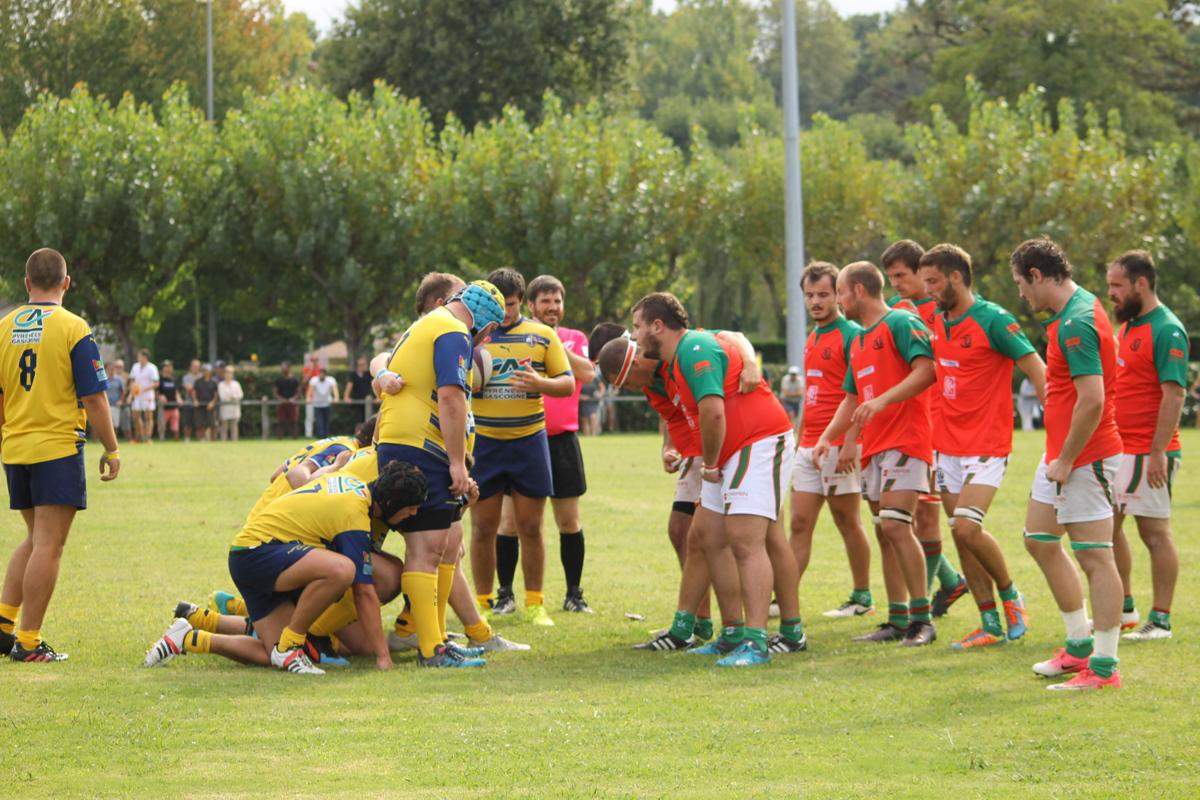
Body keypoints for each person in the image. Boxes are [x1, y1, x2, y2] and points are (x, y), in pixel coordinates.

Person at [368, 271, 528, 655]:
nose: (485, 339)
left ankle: (435, 636)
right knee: (427, 548)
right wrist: (457, 463)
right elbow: (452, 398)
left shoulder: (426, 324)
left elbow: (386, 368)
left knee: (446, 543)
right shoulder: (453, 331)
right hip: (421, 446)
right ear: (486, 323)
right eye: (489, 331)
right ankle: (431, 649)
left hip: (403, 441)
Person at [633, 293, 797, 666]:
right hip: (732, 451)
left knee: (745, 539)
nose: (636, 334)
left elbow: (713, 412)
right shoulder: (677, 360)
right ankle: (733, 633)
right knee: (705, 536)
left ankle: (757, 641)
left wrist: (708, 465)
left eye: (638, 326)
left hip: (758, 441)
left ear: (658, 327)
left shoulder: (692, 349)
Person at [144, 460, 428, 674]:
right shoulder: (354, 513)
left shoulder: (350, 482)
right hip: (258, 551)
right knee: (342, 569)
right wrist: (383, 657)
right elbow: (364, 592)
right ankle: (291, 646)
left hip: (252, 555)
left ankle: (188, 638)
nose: (413, 514)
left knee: (269, 653)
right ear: (390, 503)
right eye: (411, 508)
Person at [1010, 236, 1125, 691]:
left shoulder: (1076, 322)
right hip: (1060, 454)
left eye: (1022, 283)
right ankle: (1079, 646)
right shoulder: (1075, 309)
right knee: (1039, 539)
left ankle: (1104, 668)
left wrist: (1066, 459)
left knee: (1096, 557)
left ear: (1037, 276)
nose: (1022, 294)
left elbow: (1093, 400)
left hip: (1085, 456)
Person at [918, 244, 1042, 650]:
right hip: (946, 445)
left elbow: (1037, 370)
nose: (928, 290)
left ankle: (1011, 597)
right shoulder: (936, 319)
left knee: (967, 526)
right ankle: (988, 622)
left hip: (987, 443)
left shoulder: (994, 319)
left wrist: (1056, 425)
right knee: (961, 534)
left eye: (933, 281)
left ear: (956, 277)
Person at [0, 248, 120, 662]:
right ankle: (28, 642)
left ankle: (2, 627)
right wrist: (112, 447)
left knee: (35, 539)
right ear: (66, 283)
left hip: (14, 447)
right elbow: (94, 397)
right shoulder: (73, 327)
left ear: (27, 282)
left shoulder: (5, 326)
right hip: (55, 447)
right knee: (48, 545)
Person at [814, 261, 938, 646]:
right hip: (875, 447)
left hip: (906, 439)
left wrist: (882, 401)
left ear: (860, 291)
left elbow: (928, 370)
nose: (837, 300)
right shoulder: (861, 339)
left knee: (898, 525)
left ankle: (923, 621)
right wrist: (828, 436)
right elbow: (851, 398)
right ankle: (898, 619)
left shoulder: (901, 323)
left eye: (839, 291)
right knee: (886, 530)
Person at [468, 269, 574, 626]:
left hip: (529, 441)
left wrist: (540, 382)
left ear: (520, 301)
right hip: (484, 443)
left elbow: (568, 383)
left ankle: (535, 603)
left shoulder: (541, 336)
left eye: (511, 305)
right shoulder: (472, 336)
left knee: (531, 526)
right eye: (499, 306)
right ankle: (483, 603)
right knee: (483, 527)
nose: (505, 313)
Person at [881, 240, 968, 617]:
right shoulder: (901, 311)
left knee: (927, 517)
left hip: (937, 426)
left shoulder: (943, 310)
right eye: (891, 277)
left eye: (901, 275)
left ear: (922, 272)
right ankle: (948, 583)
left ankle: (930, 595)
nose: (896, 283)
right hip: (915, 422)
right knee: (910, 517)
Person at [500, 274, 596, 614]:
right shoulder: (517, 337)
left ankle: (574, 594)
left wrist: (552, 344)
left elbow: (587, 373)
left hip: (562, 442)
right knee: (510, 523)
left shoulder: (573, 338)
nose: (553, 307)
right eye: (545, 301)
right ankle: (505, 595)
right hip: (522, 438)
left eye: (557, 301)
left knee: (568, 522)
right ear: (531, 305)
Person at [1106, 250, 1187, 642]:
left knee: (1154, 533)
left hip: (1149, 451)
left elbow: (1174, 395)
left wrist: (1157, 453)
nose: (1111, 294)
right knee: (1107, 528)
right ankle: (1124, 609)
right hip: (1119, 449)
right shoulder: (1126, 328)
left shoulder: (1166, 329)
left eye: (1117, 285)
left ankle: (1162, 620)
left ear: (1141, 283)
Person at [789, 262, 874, 620]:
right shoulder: (812, 338)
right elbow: (812, 393)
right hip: (810, 444)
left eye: (824, 294)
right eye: (810, 295)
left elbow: (858, 392)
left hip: (840, 444)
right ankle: (784, 596)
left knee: (847, 521)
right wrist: (798, 436)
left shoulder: (852, 334)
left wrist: (852, 441)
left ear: (838, 294)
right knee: (798, 523)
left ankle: (862, 596)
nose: (816, 302)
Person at [129, 348, 159, 443]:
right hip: (137, 395)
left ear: (145, 357)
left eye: (140, 356)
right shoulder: (135, 366)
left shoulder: (152, 368)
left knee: (148, 417)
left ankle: (148, 438)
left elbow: (156, 383)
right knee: (136, 416)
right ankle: (139, 437)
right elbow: (132, 380)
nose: (138, 358)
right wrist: (132, 391)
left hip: (148, 395)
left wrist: (143, 389)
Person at [307, 366, 338, 439]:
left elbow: (335, 390)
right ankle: (321, 437)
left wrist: (336, 398)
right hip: (317, 405)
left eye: (323, 373)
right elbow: (309, 391)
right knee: (319, 422)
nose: (321, 375)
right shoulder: (314, 380)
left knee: (326, 422)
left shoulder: (331, 380)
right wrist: (308, 398)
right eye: (320, 373)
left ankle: (326, 437)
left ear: (325, 374)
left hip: (327, 404)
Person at [217, 365, 244, 442]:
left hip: (234, 409)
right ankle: (223, 442)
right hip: (225, 409)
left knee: (234, 427)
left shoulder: (236, 384)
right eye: (227, 372)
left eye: (230, 373)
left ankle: (234, 442)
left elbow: (240, 395)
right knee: (224, 427)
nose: (228, 374)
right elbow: (222, 396)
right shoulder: (221, 384)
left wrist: (232, 397)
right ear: (224, 374)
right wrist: (232, 397)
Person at [274, 361, 301, 439]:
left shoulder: (294, 380)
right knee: (281, 421)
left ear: (289, 368)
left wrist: (293, 399)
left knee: (294, 421)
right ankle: (279, 438)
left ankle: (295, 437)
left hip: (292, 403)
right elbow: (275, 392)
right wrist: (281, 399)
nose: (283, 369)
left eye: (284, 367)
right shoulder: (279, 380)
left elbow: (298, 391)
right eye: (282, 367)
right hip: (282, 403)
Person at [105, 358, 129, 441]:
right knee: (107, 424)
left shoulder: (119, 379)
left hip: (115, 405)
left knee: (115, 425)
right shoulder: (104, 379)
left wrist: (121, 400)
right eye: (109, 369)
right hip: (106, 405)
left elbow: (123, 391)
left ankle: (113, 440)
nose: (111, 370)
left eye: (112, 369)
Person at [193, 364, 218, 442]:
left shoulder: (214, 382)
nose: (206, 372)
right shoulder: (198, 381)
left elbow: (216, 395)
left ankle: (212, 440)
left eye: (207, 370)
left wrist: (212, 403)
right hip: (200, 406)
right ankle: (201, 440)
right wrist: (195, 400)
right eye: (204, 370)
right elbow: (194, 392)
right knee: (199, 424)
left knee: (212, 424)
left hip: (210, 406)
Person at [157, 360, 180, 441]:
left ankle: (176, 440)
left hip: (173, 406)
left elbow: (176, 391)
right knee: (162, 425)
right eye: (166, 366)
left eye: (170, 366)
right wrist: (160, 396)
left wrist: (179, 399)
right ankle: (162, 439)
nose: (169, 368)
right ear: (163, 368)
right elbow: (156, 391)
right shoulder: (159, 379)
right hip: (163, 407)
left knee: (175, 426)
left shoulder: (174, 379)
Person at [181, 359, 201, 442]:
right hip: (189, 403)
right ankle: (187, 439)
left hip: (200, 403)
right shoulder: (186, 377)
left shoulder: (202, 376)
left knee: (200, 423)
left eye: (197, 366)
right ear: (190, 367)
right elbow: (189, 389)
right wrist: (195, 398)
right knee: (187, 423)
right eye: (194, 366)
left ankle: (200, 439)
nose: (195, 368)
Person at [302, 353, 322, 437]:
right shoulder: (306, 369)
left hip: (319, 397)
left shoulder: (321, 370)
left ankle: (319, 434)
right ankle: (308, 434)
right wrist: (311, 370)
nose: (314, 362)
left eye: (316, 360)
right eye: (313, 360)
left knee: (319, 417)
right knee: (309, 417)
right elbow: (304, 381)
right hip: (310, 397)